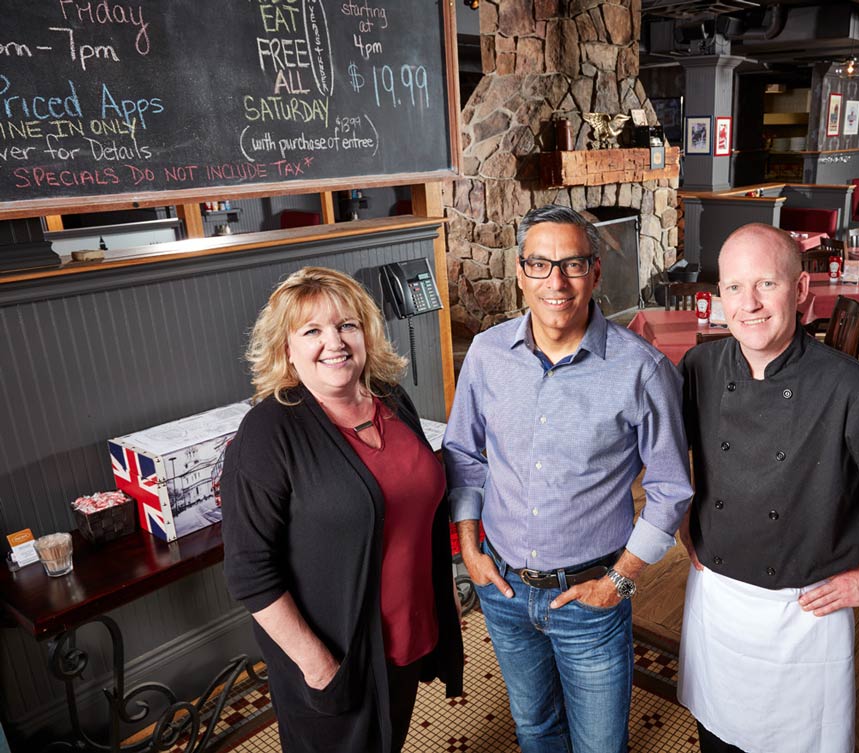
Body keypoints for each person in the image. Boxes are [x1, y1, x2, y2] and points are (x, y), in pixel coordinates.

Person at [676, 224, 859, 753]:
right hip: (716, 603)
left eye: (767, 284)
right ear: (719, 295)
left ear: (802, 290)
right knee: (714, 739)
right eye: (735, 287)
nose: (750, 303)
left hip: (801, 618)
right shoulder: (700, 367)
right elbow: (671, 457)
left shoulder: (853, 389)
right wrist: (682, 521)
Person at [443, 205, 693, 753]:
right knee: (535, 730)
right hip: (503, 591)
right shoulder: (486, 355)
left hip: (591, 598)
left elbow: (672, 487)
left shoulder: (642, 369)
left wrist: (620, 581)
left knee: (600, 746)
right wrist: (470, 551)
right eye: (539, 264)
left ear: (596, 273)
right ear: (519, 272)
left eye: (573, 265)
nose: (555, 282)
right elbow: (463, 452)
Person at [222, 267, 464, 753]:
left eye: (346, 326)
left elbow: (420, 512)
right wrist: (318, 666)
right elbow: (250, 572)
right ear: (286, 348)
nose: (334, 342)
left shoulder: (392, 399)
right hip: (336, 658)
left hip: (406, 635)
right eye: (312, 331)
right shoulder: (268, 433)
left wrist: (444, 596)